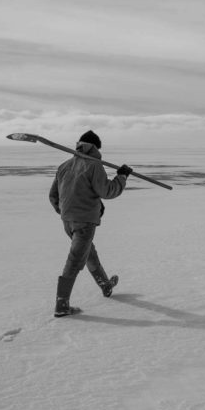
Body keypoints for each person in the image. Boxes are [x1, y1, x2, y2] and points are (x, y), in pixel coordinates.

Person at [48, 130, 133, 317]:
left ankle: (105, 285)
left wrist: (64, 211)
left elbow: (53, 195)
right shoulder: (94, 165)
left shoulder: (64, 165)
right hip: (85, 222)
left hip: (68, 221)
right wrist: (122, 177)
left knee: (88, 253)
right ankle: (61, 306)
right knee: (75, 260)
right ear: (95, 148)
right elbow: (107, 191)